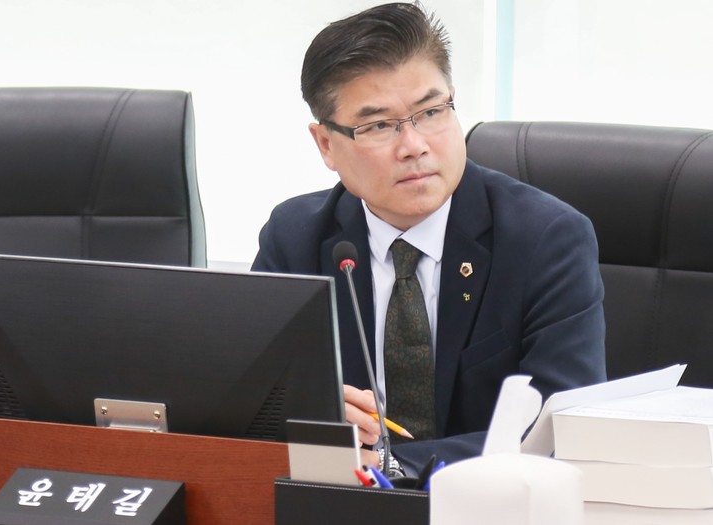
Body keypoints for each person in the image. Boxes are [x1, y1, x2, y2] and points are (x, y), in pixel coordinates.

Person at [252, 1, 606, 476]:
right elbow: (248, 405)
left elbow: (559, 428)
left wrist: (390, 465)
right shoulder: (295, 237)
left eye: (432, 111)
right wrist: (310, 417)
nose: (414, 145)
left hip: (489, 501)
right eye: (378, 125)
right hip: (335, 500)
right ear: (326, 144)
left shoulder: (546, 240)